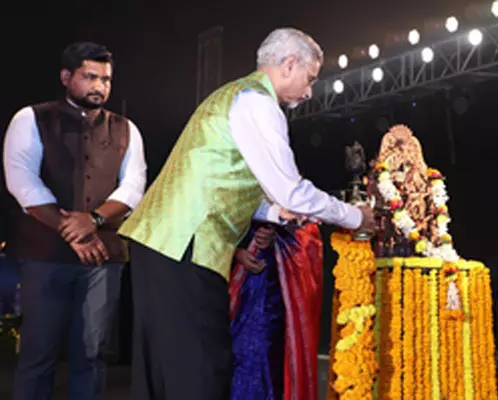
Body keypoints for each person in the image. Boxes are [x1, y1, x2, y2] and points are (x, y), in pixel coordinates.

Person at [117, 27, 376, 400]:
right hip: (182, 247)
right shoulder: (258, 103)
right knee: (202, 372)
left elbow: (220, 180)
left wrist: (271, 213)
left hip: (162, 245)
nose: (308, 92)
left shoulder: (233, 94)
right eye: (310, 78)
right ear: (289, 64)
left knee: (163, 373)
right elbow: (292, 190)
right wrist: (355, 216)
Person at [2, 41, 147, 400]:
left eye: (106, 79)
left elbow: (133, 187)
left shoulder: (126, 128)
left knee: (93, 354)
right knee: (39, 353)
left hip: (104, 260)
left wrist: (94, 220)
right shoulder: (31, 118)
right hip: (44, 256)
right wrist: (75, 232)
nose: (100, 86)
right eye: (90, 77)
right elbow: (21, 181)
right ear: (67, 77)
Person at [229, 220, 323, 400]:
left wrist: (280, 238)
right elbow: (210, 226)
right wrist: (236, 250)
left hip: (278, 289)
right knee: (238, 359)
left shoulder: (295, 196)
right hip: (237, 287)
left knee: (269, 360)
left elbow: (307, 229)